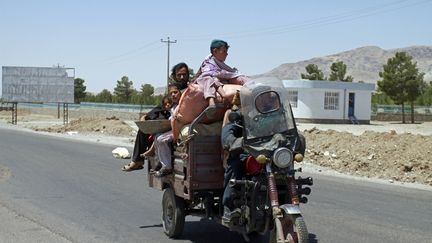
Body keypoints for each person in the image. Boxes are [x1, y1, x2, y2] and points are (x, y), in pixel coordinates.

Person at [121, 62, 190, 172]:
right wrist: (147, 116)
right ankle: (138, 160)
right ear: (174, 76)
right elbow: (162, 106)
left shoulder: (190, 90)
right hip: (170, 119)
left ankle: (149, 155)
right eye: (179, 75)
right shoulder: (173, 91)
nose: (182, 77)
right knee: (144, 128)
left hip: (182, 121)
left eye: (184, 74)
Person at [194, 39, 249, 116]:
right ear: (215, 51)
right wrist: (223, 95)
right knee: (208, 79)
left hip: (221, 82)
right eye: (224, 51)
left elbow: (230, 74)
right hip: (212, 83)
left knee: (240, 78)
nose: (227, 54)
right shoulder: (208, 66)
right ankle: (211, 101)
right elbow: (213, 79)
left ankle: (256, 89)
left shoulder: (221, 66)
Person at [121, 95, 172, 171]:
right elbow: (148, 116)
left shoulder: (174, 110)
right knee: (142, 131)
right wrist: (144, 118)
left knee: (158, 136)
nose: (167, 105)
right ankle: (137, 161)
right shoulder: (159, 109)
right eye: (165, 104)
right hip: (155, 129)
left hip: (165, 131)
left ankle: (151, 151)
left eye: (169, 103)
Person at [151, 83, 182, 177]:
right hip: (174, 129)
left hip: (180, 130)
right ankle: (160, 163)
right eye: (171, 93)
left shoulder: (182, 104)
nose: (173, 95)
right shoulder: (173, 107)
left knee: (161, 139)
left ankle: (167, 167)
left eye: (175, 92)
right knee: (157, 137)